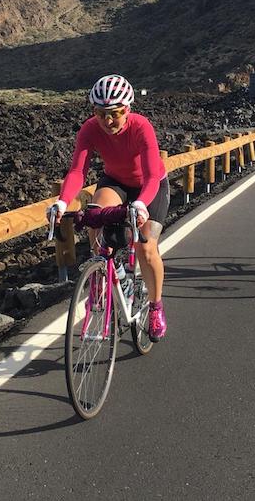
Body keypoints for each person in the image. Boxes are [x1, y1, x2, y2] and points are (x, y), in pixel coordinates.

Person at [48, 74, 170, 341]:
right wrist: (61, 202)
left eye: (114, 114)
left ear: (127, 110)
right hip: (116, 181)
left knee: (145, 247)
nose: (107, 121)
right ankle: (115, 275)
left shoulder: (141, 127)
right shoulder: (90, 129)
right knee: (94, 217)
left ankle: (155, 306)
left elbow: (151, 176)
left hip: (150, 186)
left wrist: (140, 204)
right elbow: (78, 171)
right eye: (100, 114)